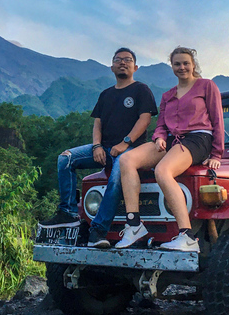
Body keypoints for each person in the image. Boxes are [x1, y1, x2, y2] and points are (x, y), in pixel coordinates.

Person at [39, 48, 158, 249]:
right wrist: (96, 146)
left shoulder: (141, 90)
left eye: (128, 60)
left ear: (135, 67)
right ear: (111, 67)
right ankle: (68, 213)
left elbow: (145, 119)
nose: (123, 63)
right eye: (118, 60)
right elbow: (98, 124)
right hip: (104, 147)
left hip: (132, 150)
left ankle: (98, 230)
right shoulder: (106, 94)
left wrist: (125, 143)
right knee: (65, 158)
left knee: (115, 178)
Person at [115, 46, 224, 252]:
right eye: (177, 64)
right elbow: (161, 125)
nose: (181, 67)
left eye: (185, 63)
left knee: (163, 171)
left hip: (199, 138)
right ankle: (134, 225)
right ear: (172, 67)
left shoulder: (206, 86)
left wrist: (217, 154)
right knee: (126, 160)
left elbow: (217, 120)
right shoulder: (168, 95)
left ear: (193, 65)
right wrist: (158, 138)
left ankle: (187, 236)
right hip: (172, 140)